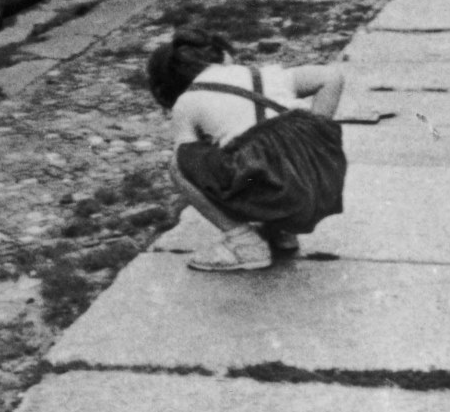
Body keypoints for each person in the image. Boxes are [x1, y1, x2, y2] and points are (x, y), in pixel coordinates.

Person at [147, 30, 347, 273]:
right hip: (319, 184)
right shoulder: (266, 74)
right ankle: (280, 232)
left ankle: (245, 244)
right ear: (224, 56)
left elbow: (187, 158)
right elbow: (331, 77)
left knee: (181, 166)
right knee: (267, 157)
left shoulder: (186, 102)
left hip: (270, 188)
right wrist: (314, 134)